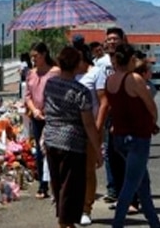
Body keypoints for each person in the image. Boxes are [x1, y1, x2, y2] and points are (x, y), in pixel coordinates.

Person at [41, 45, 103, 228]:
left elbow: (47, 109)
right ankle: (65, 223)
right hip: (72, 142)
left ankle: (64, 221)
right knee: (71, 187)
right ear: (77, 64)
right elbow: (88, 123)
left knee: (58, 184)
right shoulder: (80, 91)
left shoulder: (50, 84)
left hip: (51, 138)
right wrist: (98, 150)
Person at [105, 44, 160, 228]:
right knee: (131, 183)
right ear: (131, 59)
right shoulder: (134, 79)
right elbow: (150, 105)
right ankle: (118, 223)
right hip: (138, 136)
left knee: (142, 181)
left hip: (120, 136)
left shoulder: (110, 80)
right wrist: (153, 122)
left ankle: (154, 222)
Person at [95, 27, 128, 203]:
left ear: (122, 40)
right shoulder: (101, 63)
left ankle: (130, 191)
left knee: (126, 152)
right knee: (109, 151)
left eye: (115, 39)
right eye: (109, 39)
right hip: (108, 112)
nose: (112, 42)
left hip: (127, 113)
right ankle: (113, 188)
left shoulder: (130, 60)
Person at [73, 38, 101, 226]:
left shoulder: (95, 73)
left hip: (89, 127)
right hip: (71, 129)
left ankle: (86, 208)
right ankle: (74, 205)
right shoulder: (68, 75)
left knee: (88, 170)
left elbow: (103, 101)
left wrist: (97, 128)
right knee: (73, 171)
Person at [25, 42, 55, 199]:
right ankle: (43, 185)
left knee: (52, 149)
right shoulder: (31, 73)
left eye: (36, 56)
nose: (33, 59)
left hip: (51, 116)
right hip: (36, 116)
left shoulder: (54, 72)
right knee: (39, 149)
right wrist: (34, 110)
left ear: (44, 55)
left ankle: (55, 182)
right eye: (32, 57)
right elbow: (28, 95)